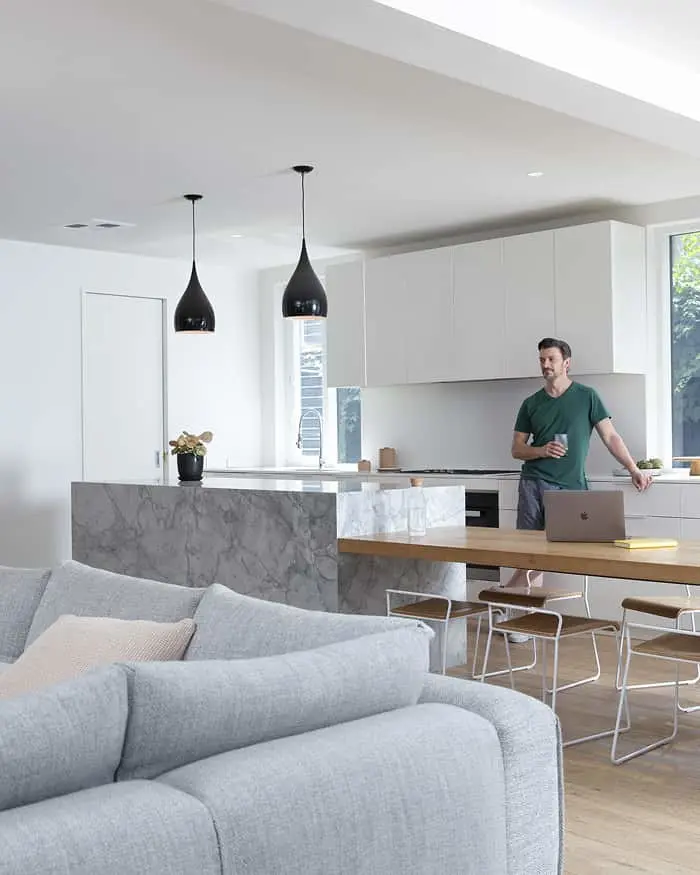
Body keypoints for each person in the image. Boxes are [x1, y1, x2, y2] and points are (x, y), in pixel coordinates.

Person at [505, 337, 652, 590]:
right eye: (542, 360)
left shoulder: (587, 396)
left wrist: (633, 468)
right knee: (528, 555)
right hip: (533, 484)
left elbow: (610, 436)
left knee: (553, 556)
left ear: (566, 363)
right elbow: (516, 449)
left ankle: (501, 598)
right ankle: (522, 621)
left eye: (552, 359)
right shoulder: (531, 404)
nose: (546, 365)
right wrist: (541, 450)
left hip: (570, 487)